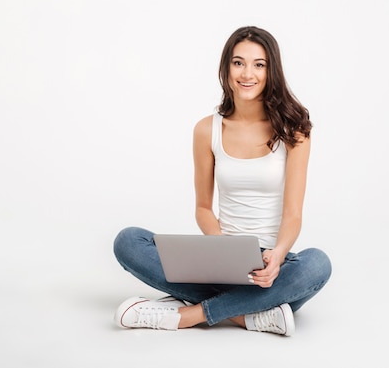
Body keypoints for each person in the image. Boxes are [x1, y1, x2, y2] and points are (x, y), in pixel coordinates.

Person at [113, 26, 332, 336]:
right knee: (128, 241)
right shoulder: (207, 129)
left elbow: (293, 213)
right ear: (226, 68)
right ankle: (250, 314)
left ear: (272, 71)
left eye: (259, 64)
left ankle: (188, 314)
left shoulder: (294, 131)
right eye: (238, 62)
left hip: (270, 268)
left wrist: (278, 256)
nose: (248, 73)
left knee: (317, 264)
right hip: (219, 258)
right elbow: (203, 207)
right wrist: (221, 248)